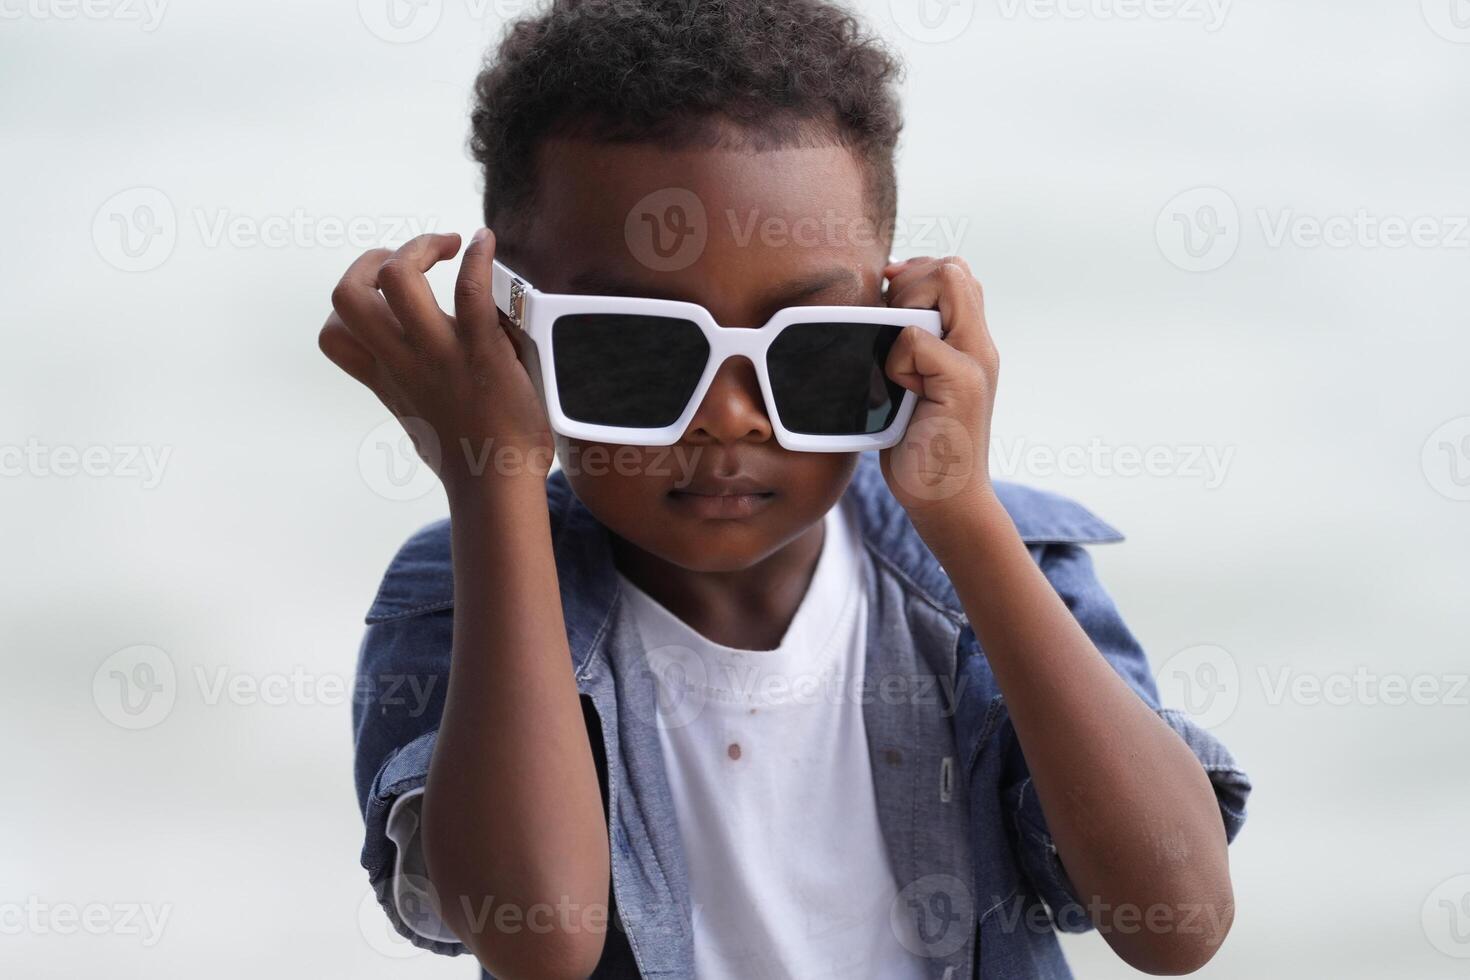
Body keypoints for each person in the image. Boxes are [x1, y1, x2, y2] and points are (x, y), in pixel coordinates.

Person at [320, 1, 1251, 977]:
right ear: (509, 334)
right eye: (634, 348)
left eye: (806, 349)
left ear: (898, 330)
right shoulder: (456, 593)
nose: (729, 415)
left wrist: (964, 515)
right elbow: (536, 936)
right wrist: (493, 479)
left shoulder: (1004, 571)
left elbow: (1176, 918)